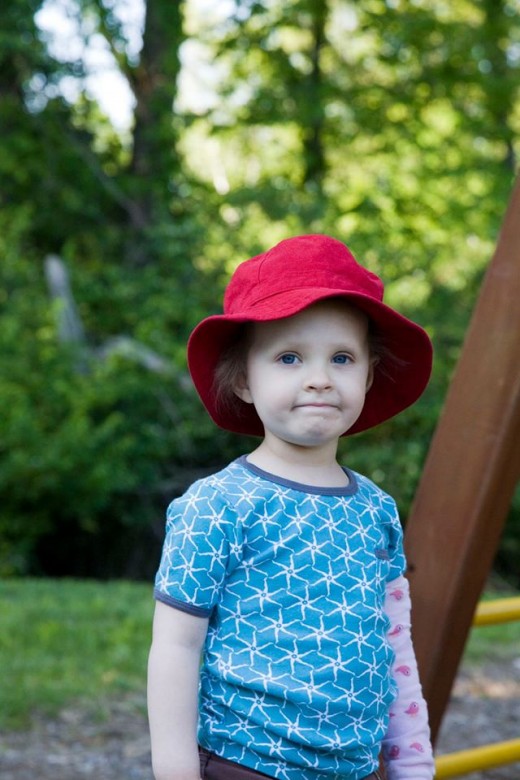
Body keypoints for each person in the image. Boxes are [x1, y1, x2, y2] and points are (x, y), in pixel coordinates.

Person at [148, 234, 435, 780]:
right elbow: (176, 648)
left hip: (357, 768)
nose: (320, 378)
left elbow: (396, 648)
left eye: (342, 358)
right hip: (248, 764)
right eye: (289, 357)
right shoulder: (217, 505)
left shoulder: (376, 511)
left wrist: (413, 765)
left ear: (368, 375)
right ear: (244, 379)